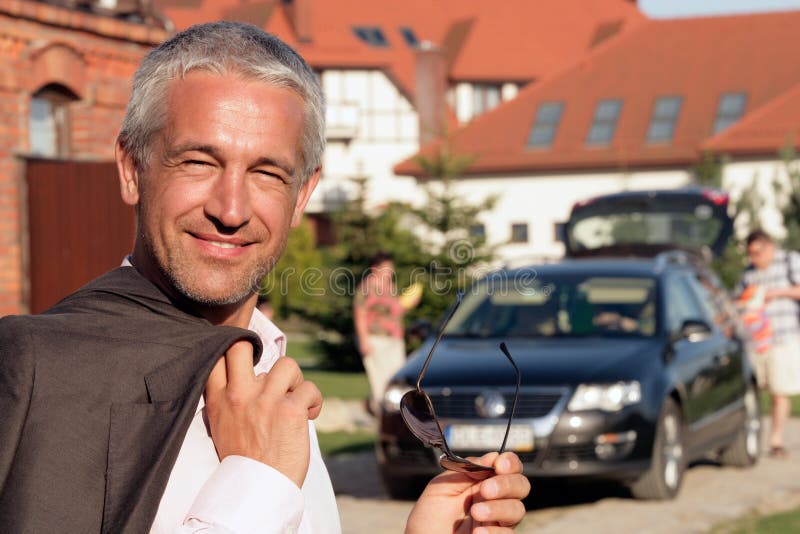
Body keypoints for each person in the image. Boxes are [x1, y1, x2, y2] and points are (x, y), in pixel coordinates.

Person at [0, 21, 529, 533]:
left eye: (266, 173)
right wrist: (258, 482)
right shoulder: (38, 372)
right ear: (132, 169)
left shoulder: (277, 375)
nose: (231, 209)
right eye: (198, 162)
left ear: (302, 195)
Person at [737, 229, 800, 458]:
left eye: (758, 253)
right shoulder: (749, 274)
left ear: (770, 247)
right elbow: (738, 302)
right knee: (752, 392)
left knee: (779, 391)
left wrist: (776, 293)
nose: (755, 259)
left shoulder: (789, 262)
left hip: (783, 337)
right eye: (751, 254)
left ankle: (776, 440)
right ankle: (749, 438)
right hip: (756, 341)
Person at [354, 251, 420, 413]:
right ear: (375, 268)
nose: (390, 271)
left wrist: (407, 305)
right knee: (380, 380)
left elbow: (394, 312)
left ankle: (397, 412)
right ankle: (382, 414)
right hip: (375, 339)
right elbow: (360, 314)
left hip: (394, 340)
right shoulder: (367, 287)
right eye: (386, 268)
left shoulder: (390, 287)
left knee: (396, 379)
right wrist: (363, 340)